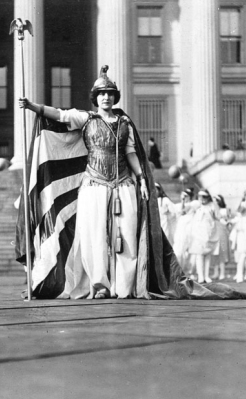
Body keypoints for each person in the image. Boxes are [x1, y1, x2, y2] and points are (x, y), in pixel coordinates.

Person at [19, 66, 149, 299]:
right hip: (94, 186)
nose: (106, 97)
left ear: (115, 96)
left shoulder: (124, 124)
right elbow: (60, 115)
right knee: (95, 237)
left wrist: (142, 179)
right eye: (101, 93)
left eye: (110, 93)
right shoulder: (86, 119)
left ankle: (125, 287)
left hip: (124, 185)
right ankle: (100, 286)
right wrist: (33, 107)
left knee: (126, 236)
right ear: (95, 98)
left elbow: (131, 153)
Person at [188, 190, 219, 284]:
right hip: (198, 234)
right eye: (200, 197)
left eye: (204, 197)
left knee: (207, 255)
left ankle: (206, 275)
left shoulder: (211, 206)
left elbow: (217, 216)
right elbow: (187, 209)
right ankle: (200, 276)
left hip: (209, 233)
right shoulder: (197, 206)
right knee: (199, 255)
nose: (202, 199)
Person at [173, 188, 196, 279]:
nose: (184, 197)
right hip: (181, 230)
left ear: (190, 196)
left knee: (190, 251)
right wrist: (182, 201)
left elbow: (186, 208)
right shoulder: (178, 205)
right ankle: (180, 271)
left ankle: (191, 272)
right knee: (179, 250)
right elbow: (181, 210)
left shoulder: (194, 203)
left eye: (186, 196)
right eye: (183, 196)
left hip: (191, 229)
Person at [210, 195, 231, 281]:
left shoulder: (225, 210)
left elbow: (226, 221)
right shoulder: (211, 210)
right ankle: (216, 272)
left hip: (222, 232)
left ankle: (222, 272)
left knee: (222, 252)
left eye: (217, 201)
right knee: (215, 253)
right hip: (214, 232)